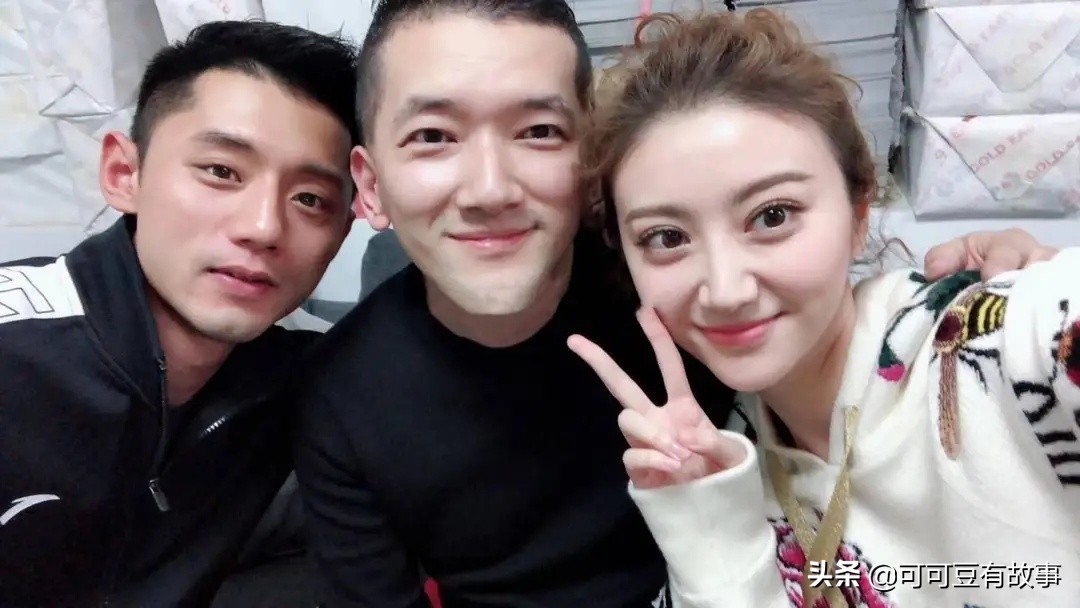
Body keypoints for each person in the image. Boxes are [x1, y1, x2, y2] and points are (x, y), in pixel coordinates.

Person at [293, 1, 1060, 606]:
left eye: (539, 129)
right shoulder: (340, 399)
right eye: (434, 136)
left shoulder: (692, 314)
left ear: (586, 173)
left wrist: (1008, 297)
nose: (490, 188)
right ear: (370, 185)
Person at [569, 8, 1080, 608]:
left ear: (860, 212)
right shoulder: (721, 455)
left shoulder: (994, 347)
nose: (726, 290)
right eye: (667, 237)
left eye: (772, 216)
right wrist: (709, 528)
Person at [0, 20, 359, 606]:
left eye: (310, 199)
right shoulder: (17, 358)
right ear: (124, 174)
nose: (263, 227)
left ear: (343, 232)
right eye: (221, 171)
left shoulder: (304, 378)